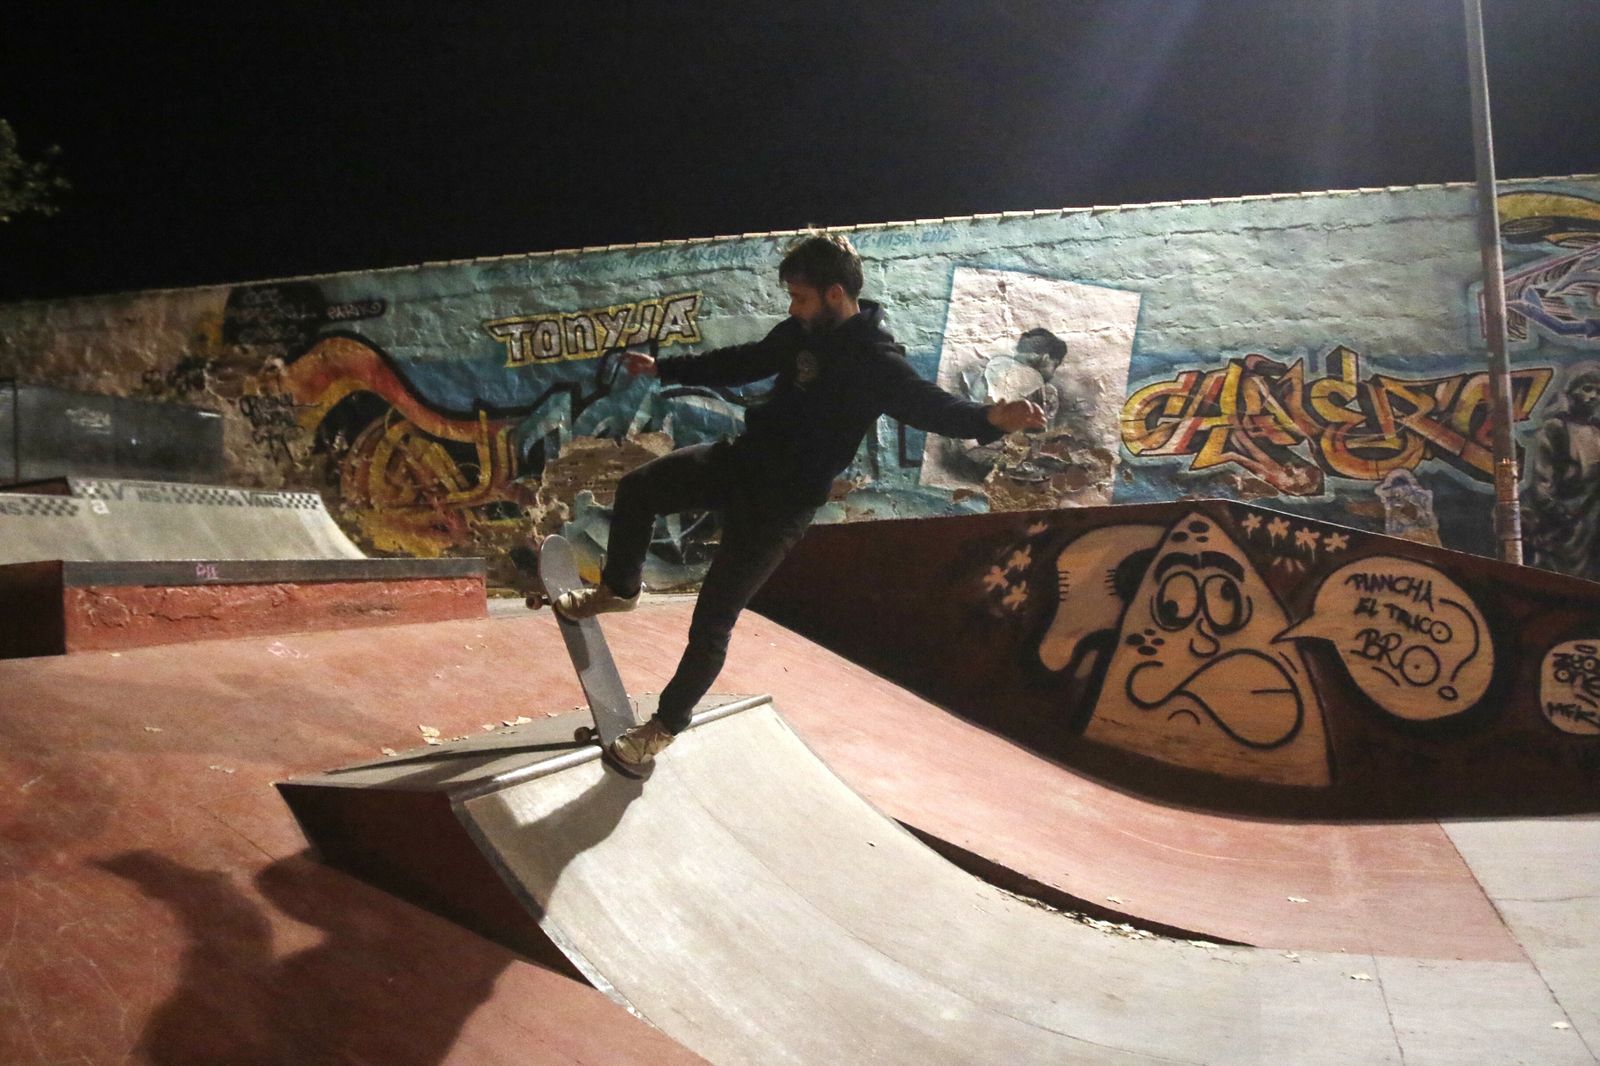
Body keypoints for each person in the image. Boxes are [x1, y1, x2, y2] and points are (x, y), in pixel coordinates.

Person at [556, 234, 1046, 773]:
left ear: (835, 294)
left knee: (714, 617)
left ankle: (663, 727)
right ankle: (620, 589)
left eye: (801, 297)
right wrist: (665, 368)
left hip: (782, 506)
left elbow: (930, 407)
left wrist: (988, 420)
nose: (793, 307)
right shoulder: (800, 333)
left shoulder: (878, 362)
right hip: (741, 461)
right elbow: (743, 361)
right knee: (639, 488)